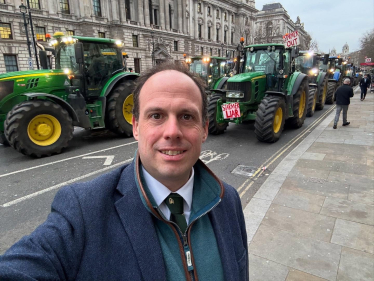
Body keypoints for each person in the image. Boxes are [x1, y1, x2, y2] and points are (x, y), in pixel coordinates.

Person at [0, 62, 249, 280]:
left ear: (204, 129)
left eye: (186, 116)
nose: (172, 131)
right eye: (156, 115)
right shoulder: (83, 211)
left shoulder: (228, 201)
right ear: (136, 127)